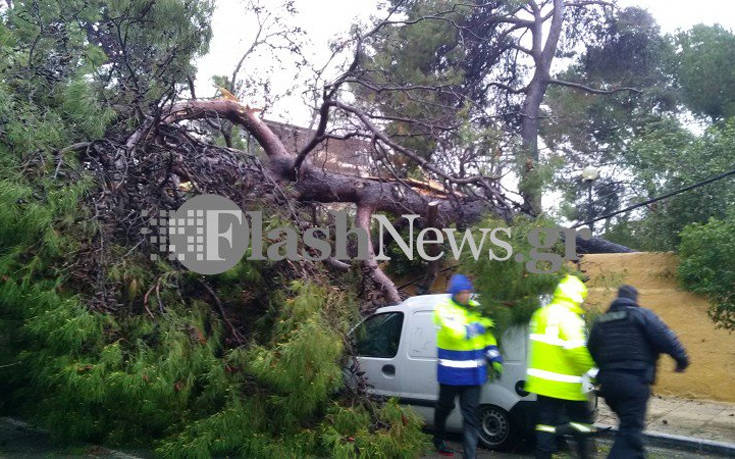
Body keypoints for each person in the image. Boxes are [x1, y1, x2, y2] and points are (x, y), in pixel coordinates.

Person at [587, 285, 689, 459]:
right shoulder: (642, 315)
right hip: (634, 382)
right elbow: (666, 338)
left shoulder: (600, 321)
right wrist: (682, 360)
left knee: (630, 428)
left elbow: (591, 350)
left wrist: (604, 371)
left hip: (609, 386)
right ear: (634, 299)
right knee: (630, 431)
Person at [525, 274, 596, 459]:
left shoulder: (540, 314)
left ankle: (543, 455)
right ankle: (584, 456)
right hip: (568, 385)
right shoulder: (570, 318)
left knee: (545, 425)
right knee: (581, 423)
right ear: (576, 296)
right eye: (581, 298)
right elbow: (576, 352)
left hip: (542, 384)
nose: (582, 302)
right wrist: (595, 373)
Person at [432, 274, 503, 458]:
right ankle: (438, 439)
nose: (465, 296)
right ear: (454, 293)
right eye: (461, 293)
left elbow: (488, 337)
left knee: (471, 417)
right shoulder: (444, 310)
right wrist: (479, 326)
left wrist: (494, 358)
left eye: (468, 292)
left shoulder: (475, 309)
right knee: (444, 408)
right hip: (451, 375)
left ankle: (470, 456)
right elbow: (456, 333)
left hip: (474, 376)